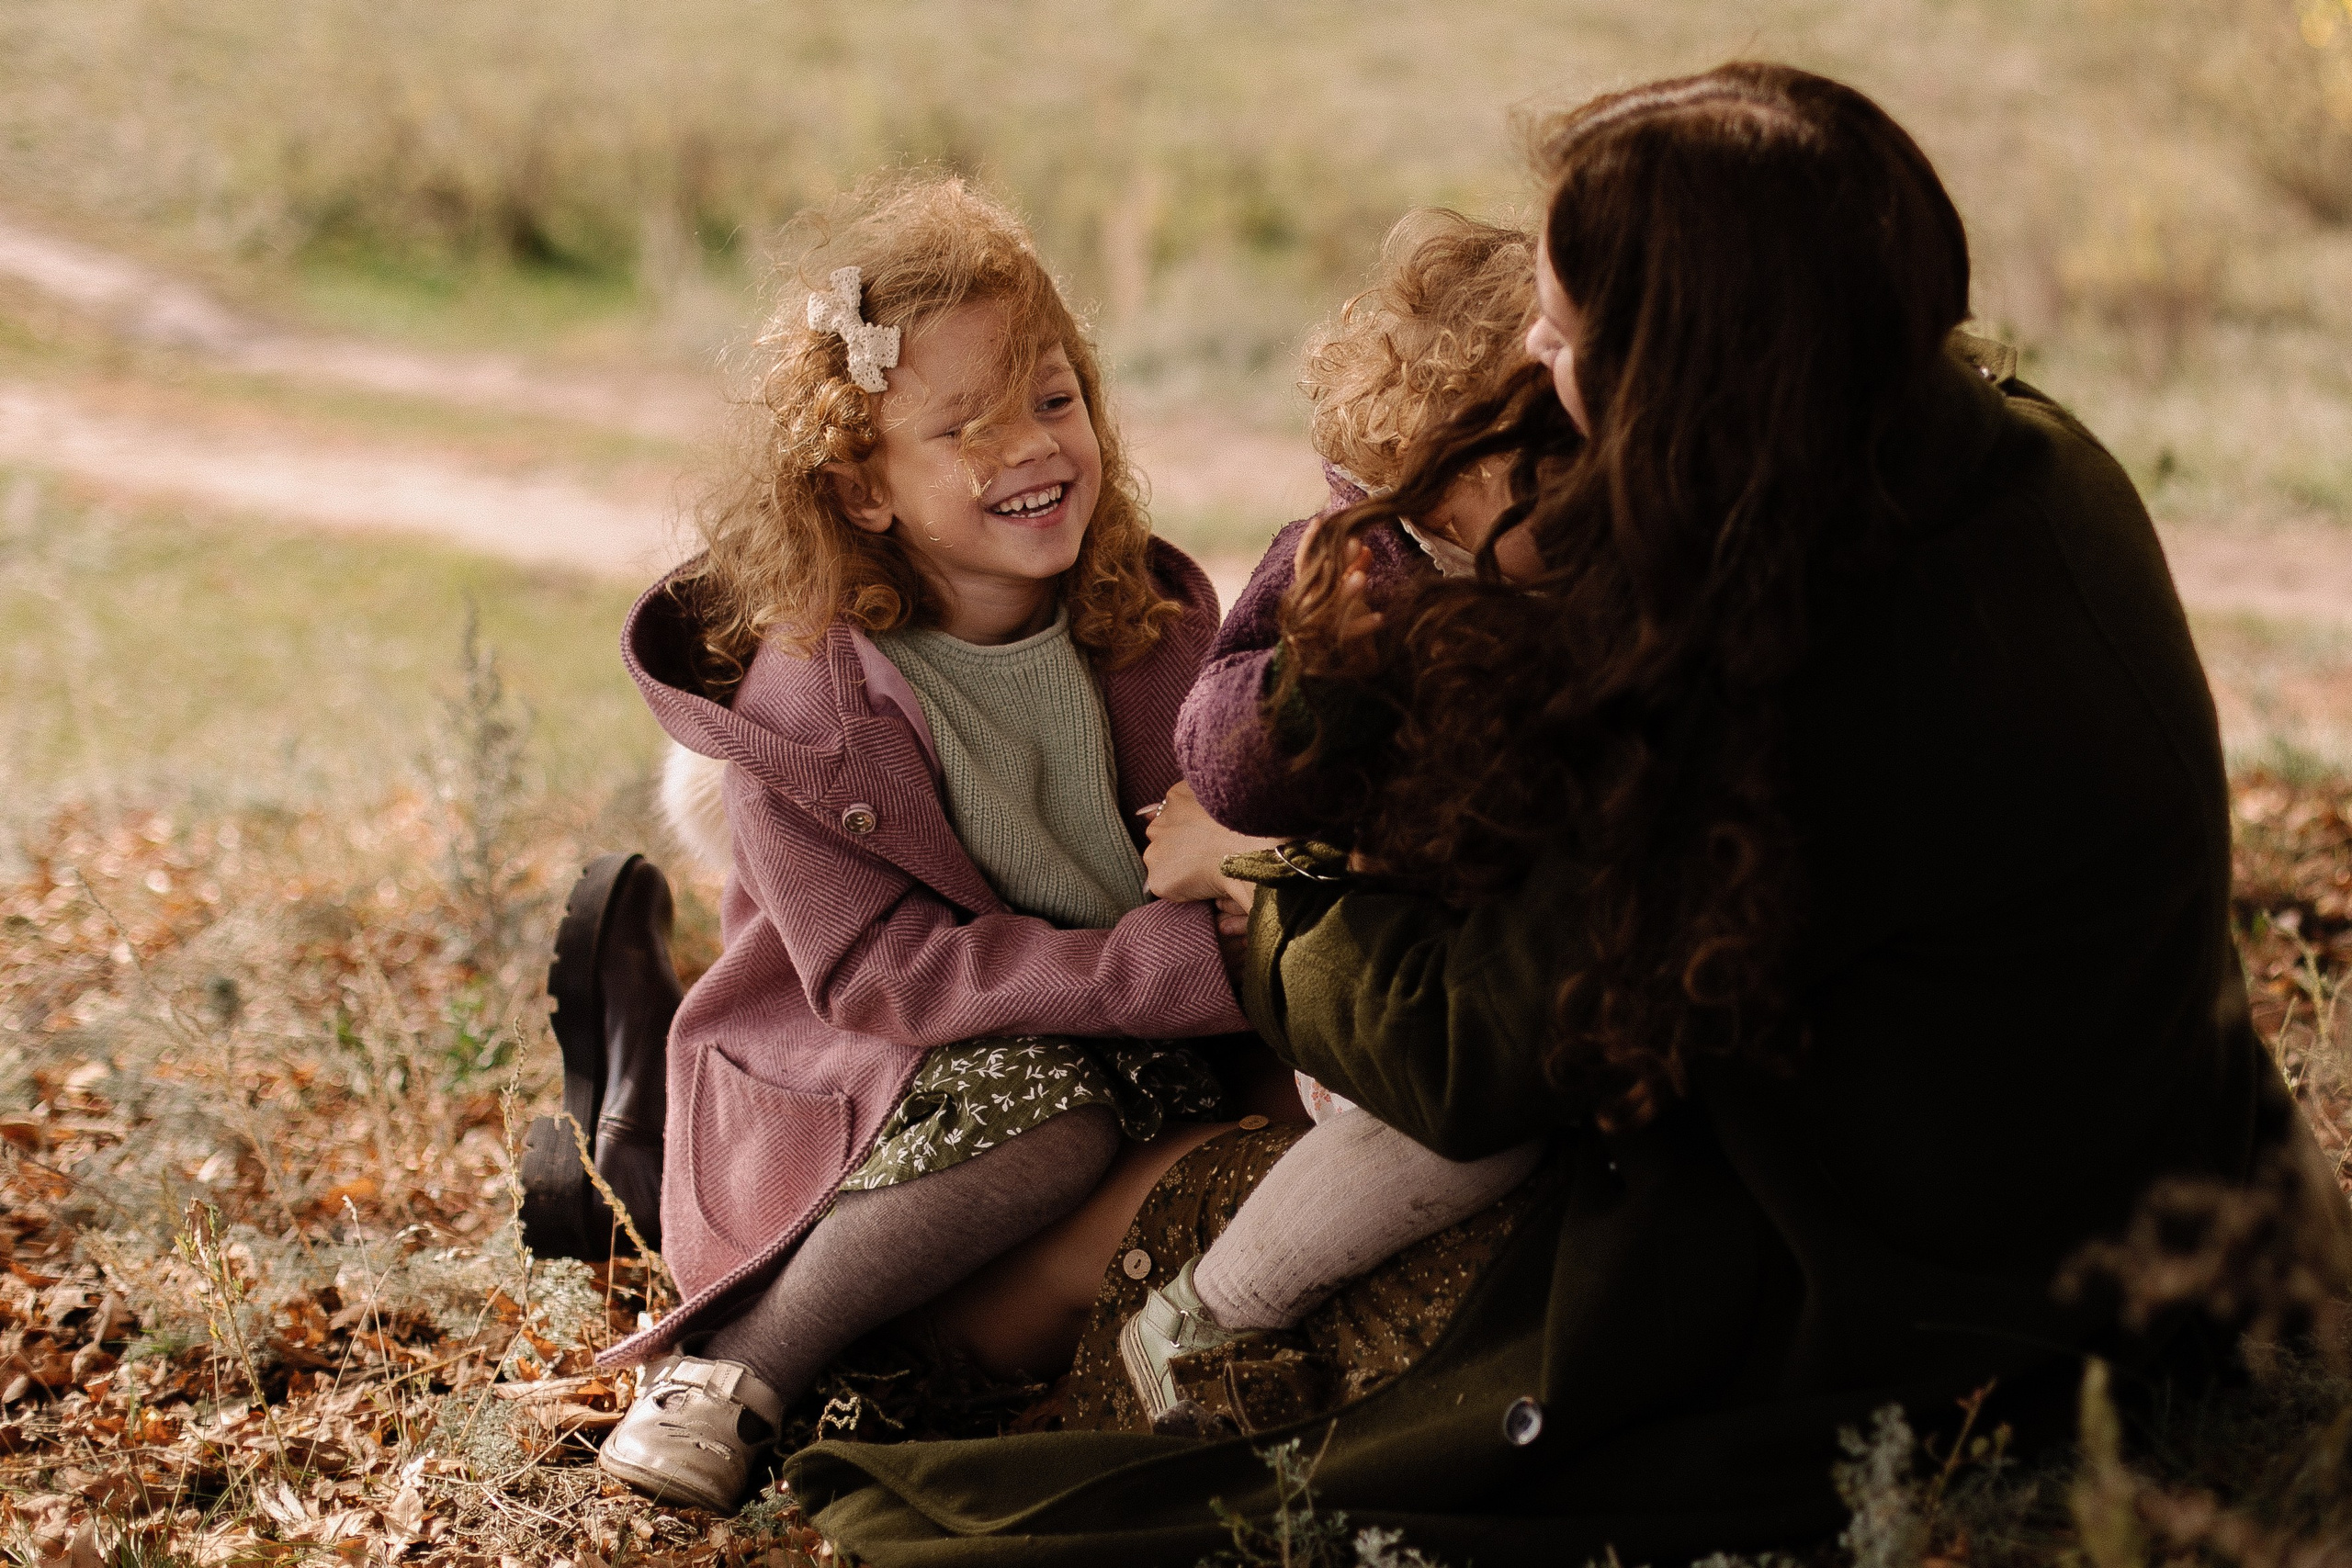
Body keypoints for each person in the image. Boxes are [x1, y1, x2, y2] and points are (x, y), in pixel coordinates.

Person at [778, 63, 2352, 1563]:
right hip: (2142, 1182)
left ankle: (769, 1194)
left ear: (1697, 360)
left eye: (1565, 328)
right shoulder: (2008, 450)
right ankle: (706, 1049)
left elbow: (1471, 1057)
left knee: (1149, 1225)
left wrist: (1266, 898)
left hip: (1913, 1284)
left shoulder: (1786, 667)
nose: (1534, 355)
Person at [589, 177, 1257, 1514]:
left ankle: (639, 1113)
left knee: (1253, 1142)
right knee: (1054, 1122)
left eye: (1055, 401)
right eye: (966, 427)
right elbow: (885, 978)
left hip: (1136, 1031)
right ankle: (736, 1361)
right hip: (902, 1059)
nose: (1032, 450)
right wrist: (1161, 966)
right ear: (862, 483)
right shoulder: (809, 712)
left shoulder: (1153, 628)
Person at [1121, 211, 1547, 1427]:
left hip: (1467, 948)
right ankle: (1208, 1312)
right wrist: (1321, 685)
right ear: (1443, 470)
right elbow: (1220, 755)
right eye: (1537, 455)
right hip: (1358, 972)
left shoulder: (1556, 584)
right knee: (1465, 1136)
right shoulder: (1351, 568)